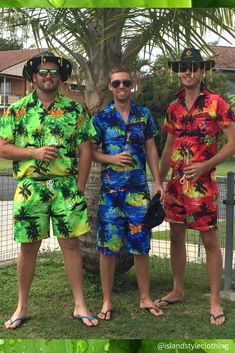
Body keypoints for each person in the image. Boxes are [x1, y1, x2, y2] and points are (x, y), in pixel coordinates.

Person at [0, 52, 98, 328]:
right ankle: (22, 306)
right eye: (42, 72)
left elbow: (86, 150)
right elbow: (2, 147)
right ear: (33, 77)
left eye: (54, 73)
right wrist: (35, 152)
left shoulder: (75, 110)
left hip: (66, 187)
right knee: (28, 247)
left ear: (61, 77)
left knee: (71, 245)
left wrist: (79, 189)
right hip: (31, 189)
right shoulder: (17, 110)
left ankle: (80, 304)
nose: (48, 76)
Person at [156, 47, 235, 325]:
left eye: (193, 68)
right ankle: (178, 289)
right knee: (176, 237)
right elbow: (167, 148)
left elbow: (233, 143)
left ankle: (215, 301)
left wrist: (205, 165)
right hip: (176, 186)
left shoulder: (217, 103)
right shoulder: (173, 107)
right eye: (182, 68)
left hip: (203, 186)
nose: (187, 72)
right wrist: (158, 181)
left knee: (209, 241)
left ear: (202, 71)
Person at [91, 64, 164, 320]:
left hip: (138, 193)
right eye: (116, 83)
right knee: (107, 248)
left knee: (140, 246)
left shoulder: (143, 115)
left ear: (132, 85)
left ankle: (145, 298)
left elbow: (152, 149)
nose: (121, 87)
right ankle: (107, 302)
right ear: (110, 87)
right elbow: (90, 152)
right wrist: (110, 158)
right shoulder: (100, 118)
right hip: (110, 194)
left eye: (125, 83)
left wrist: (157, 181)